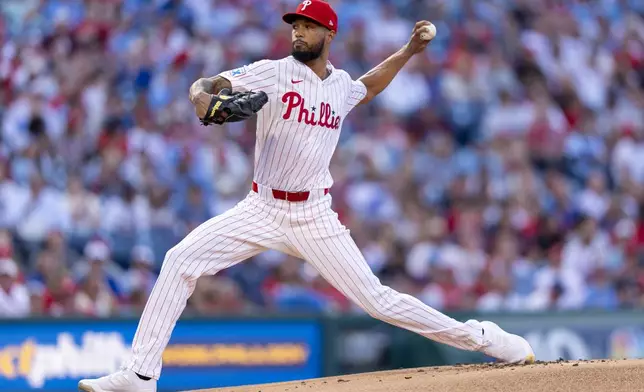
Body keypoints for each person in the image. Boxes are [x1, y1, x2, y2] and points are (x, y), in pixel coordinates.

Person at [79, 1, 534, 391]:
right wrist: (202, 99)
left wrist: (409, 51)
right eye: (295, 25)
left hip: (314, 215)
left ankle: (482, 338)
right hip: (261, 208)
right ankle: (139, 377)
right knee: (180, 261)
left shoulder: (339, 86)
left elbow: (369, 85)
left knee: (379, 301)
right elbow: (207, 85)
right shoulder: (272, 72)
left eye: (307, 25)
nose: (298, 31)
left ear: (328, 32)